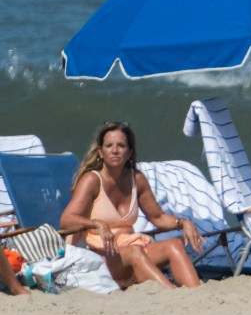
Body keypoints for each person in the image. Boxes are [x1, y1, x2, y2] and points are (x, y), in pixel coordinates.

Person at [60, 121, 205, 289]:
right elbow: (66, 221)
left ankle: (196, 293)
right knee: (135, 252)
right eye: (109, 146)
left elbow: (158, 217)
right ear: (100, 152)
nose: (114, 150)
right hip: (94, 256)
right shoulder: (92, 180)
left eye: (121, 146)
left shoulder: (136, 179)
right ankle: (172, 295)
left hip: (126, 250)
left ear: (129, 152)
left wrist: (182, 223)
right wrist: (96, 223)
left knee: (174, 244)